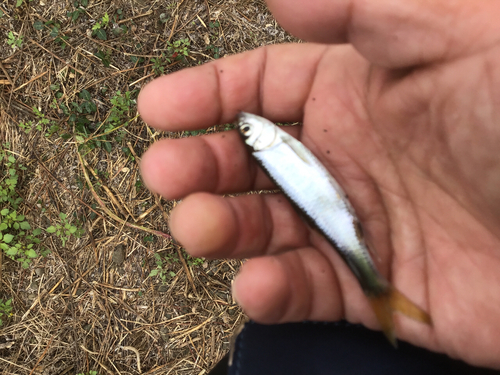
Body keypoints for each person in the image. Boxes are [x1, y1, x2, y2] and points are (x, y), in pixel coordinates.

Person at [137, 0, 500, 371]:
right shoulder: (272, 148)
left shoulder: (270, 149)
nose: (248, 124)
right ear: (258, 140)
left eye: (246, 128)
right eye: (248, 130)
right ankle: (378, 292)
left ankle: (377, 296)